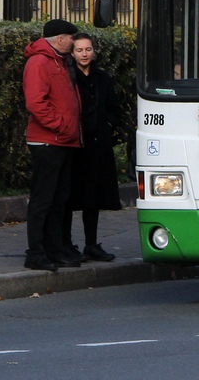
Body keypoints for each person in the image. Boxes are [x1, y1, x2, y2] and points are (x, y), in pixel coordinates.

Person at [23, 19, 83, 271]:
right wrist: (62, 125)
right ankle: (36, 252)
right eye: (71, 38)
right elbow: (36, 103)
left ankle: (53, 249)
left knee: (59, 200)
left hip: (62, 140)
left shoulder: (59, 61)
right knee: (43, 200)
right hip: (49, 140)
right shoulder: (39, 62)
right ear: (60, 39)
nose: (73, 42)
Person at [62, 33, 123, 262]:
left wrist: (106, 126)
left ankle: (91, 243)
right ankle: (67, 244)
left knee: (94, 197)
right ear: (72, 53)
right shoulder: (68, 77)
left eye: (88, 49)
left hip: (98, 145)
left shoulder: (103, 78)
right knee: (70, 196)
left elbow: (114, 108)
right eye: (79, 50)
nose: (84, 54)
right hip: (75, 144)